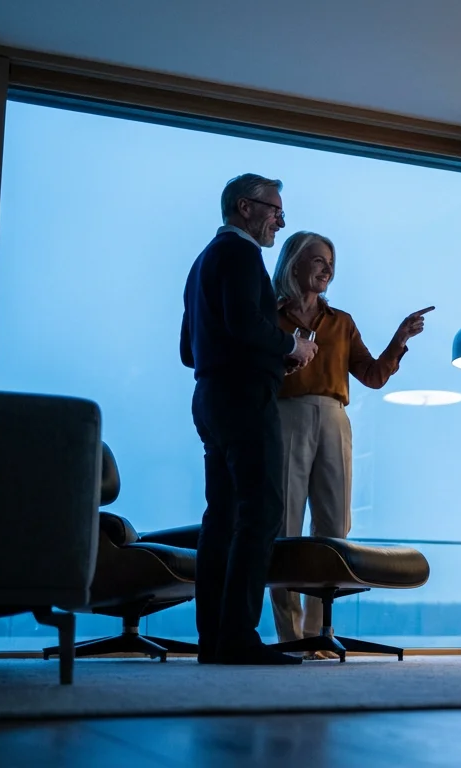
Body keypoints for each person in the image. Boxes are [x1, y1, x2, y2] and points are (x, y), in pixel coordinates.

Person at [266, 231, 432, 652]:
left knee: (334, 526)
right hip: (286, 416)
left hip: (335, 419)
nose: (327, 268)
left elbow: (373, 377)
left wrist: (399, 340)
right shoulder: (270, 316)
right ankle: (290, 638)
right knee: (283, 526)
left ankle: (318, 636)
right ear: (294, 264)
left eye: (331, 262)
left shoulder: (341, 322)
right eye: (318, 260)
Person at [180, 173, 317, 666]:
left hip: (211, 396)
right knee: (260, 513)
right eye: (275, 210)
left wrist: (268, 357)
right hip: (243, 398)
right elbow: (245, 324)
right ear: (245, 207)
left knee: (222, 518)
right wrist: (291, 346)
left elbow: (186, 349)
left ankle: (213, 639)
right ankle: (238, 636)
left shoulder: (201, 263)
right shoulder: (240, 255)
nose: (280, 221)